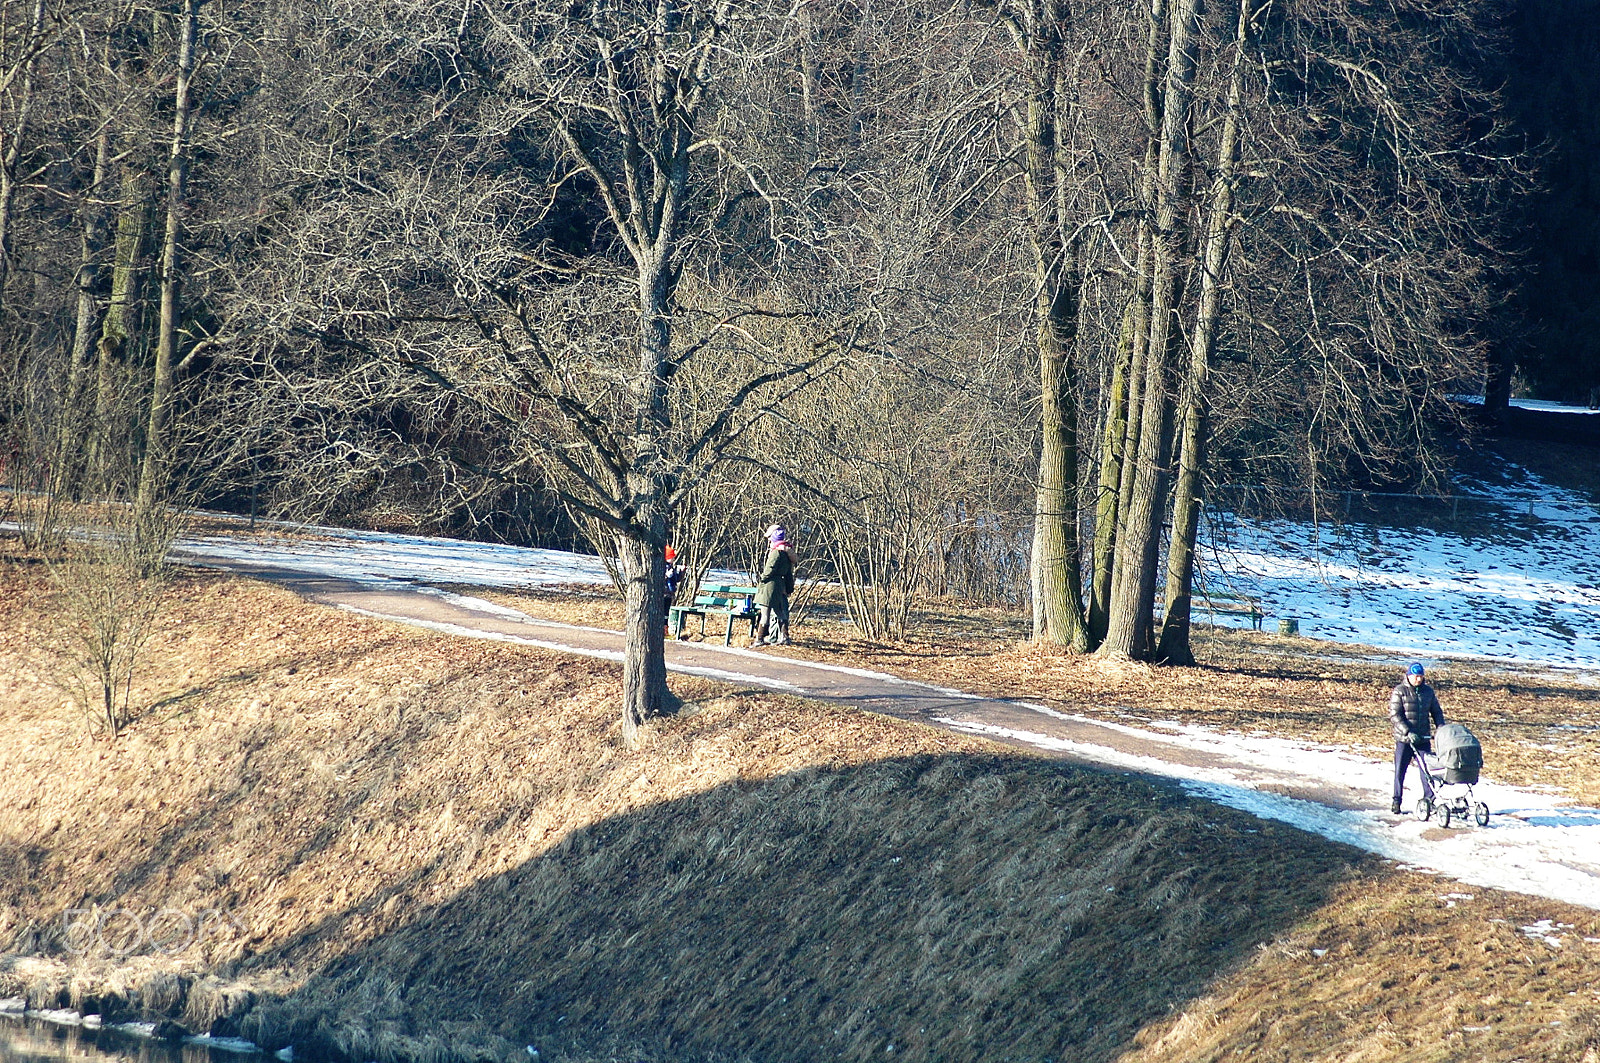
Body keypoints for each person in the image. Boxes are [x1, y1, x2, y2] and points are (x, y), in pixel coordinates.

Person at [1388, 661, 1445, 814]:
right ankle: (1396, 800)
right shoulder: (1400, 691)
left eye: (1421, 676)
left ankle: (1429, 800)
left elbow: (1436, 712)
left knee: (1427, 771)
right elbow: (1395, 715)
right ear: (1409, 676)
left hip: (1423, 739)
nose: (1418, 679)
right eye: (1415, 676)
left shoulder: (1428, 692)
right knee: (1400, 771)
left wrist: (1440, 727)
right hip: (1405, 740)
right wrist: (1407, 731)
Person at [753, 524, 794, 646]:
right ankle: (785, 637)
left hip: (770, 585)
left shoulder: (776, 552)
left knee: (765, 613)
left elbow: (769, 569)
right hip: (780, 585)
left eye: (770, 537)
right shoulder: (787, 552)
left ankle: (759, 639)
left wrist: (763, 578)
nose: (769, 540)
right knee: (779, 612)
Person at [663, 544, 686, 636]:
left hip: (669, 593)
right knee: (662, 611)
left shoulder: (671, 567)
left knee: (666, 612)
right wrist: (666, 576)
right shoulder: (662, 567)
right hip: (663, 593)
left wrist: (681, 572)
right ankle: (662, 628)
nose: (673, 559)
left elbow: (676, 579)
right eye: (671, 557)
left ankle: (665, 629)